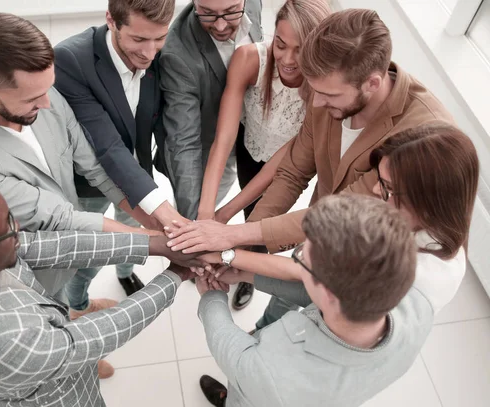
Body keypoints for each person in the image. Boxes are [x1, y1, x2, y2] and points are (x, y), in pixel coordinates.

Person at [165, 8, 454, 326]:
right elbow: (292, 173)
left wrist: (230, 240)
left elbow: (347, 212)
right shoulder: (324, 91)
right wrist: (238, 241)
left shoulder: (422, 137)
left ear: (371, 83)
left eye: (328, 95)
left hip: (372, 274)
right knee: (279, 310)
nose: (314, 104)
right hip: (316, 237)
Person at [0, 175, 201, 407]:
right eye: (7, 230)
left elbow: (57, 247)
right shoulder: (7, 342)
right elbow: (97, 334)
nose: (19, 233)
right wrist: (173, 276)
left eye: (10, 217)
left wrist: (155, 245)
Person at [200, 122, 479, 334]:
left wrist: (227, 263)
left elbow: (309, 279)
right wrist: (237, 267)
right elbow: (310, 278)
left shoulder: (409, 276)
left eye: (387, 188)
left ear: (427, 201)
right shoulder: (410, 225)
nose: (372, 189)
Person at [195, 194, 433, 407]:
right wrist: (246, 274)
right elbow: (314, 293)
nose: (296, 261)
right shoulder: (417, 307)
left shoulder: (272, 376)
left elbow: (235, 355)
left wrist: (211, 296)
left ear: (328, 293)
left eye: (301, 260)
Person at [54, 0, 185, 299]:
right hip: (91, 186)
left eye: (159, 39)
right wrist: (166, 211)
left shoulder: (161, 51)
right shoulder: (71, 60)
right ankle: (78, 302)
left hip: (139, 181)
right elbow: (107, 146)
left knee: (133, 241)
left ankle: (125, 273)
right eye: (139, 40)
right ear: (111, 20)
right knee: (91, 256)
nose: (151, 53)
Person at [160, 0, 263, 309]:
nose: (220, 25)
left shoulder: (253, 5)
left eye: (231, 12)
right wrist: (196, 229)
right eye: (207, 13)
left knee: (258, 211)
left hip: (260, 136)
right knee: (208, 203)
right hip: (208, 145)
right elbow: (185, 143)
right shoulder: (176, 53)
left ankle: (250, 273)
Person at [198, 0, 331, 223]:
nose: (287, 60)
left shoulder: (323, 92)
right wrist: (205, 212)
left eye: (300, 50)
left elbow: (283, 161)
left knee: (260, 228)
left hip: (287, 168)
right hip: (248, 150)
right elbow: (223, 140)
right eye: (280, 45)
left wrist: (223, 214)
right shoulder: (248, 59)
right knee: (247, 213)